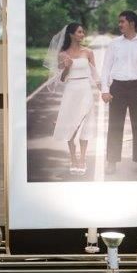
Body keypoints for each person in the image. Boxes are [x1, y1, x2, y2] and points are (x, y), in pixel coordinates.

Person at [100, 10, 137, 176]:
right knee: (115, 125)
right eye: (119, 22)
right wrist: (105, 90)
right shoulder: (114, 44)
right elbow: (106, 68)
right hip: (118, 88)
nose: (120, 25)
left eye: (122, 22)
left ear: (132, 23)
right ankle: (111, 161)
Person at [46, 23, 101, 176]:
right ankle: (73, 158)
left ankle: (82, 158)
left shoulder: (88, 52)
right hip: (71, 91)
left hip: (85, 90)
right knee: (71, 126)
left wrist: (104, 91)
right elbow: (62, 79)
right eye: (79, 32)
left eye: (83, 32)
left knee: (85, 124)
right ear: (71, 34)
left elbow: (95, 74)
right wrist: (67, 67)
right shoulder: (63, 54)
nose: (82, 34)